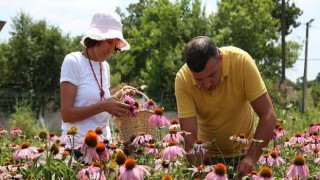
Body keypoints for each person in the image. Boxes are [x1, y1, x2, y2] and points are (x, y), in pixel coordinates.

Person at [175, 36, 276, 178]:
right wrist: (201, 171)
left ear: (220, 60)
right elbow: (189, 136)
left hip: (244, 154)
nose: (207, 84)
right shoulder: (183, 79)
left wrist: (251, 157)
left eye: (211, 75)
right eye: (199, 80)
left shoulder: (241, 62)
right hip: (207, 158)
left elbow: (268, 115)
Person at [60, 11, 136, 147]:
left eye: (115, 44)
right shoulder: (73, 61)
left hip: (103, 148)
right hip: (76, 149)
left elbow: (100, 101)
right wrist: (103, 106)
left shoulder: (104, 66)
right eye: (109, 42)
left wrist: (119, 96)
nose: (112, 49)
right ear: (96, 38)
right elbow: (66, 114)